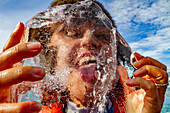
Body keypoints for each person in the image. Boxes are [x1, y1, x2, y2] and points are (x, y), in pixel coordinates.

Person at [0, 0, 169, 113]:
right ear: (52, 57)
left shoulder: (137, 108)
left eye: (103, 36)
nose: (89, 40)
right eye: (72, 32)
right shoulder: (32, 109)